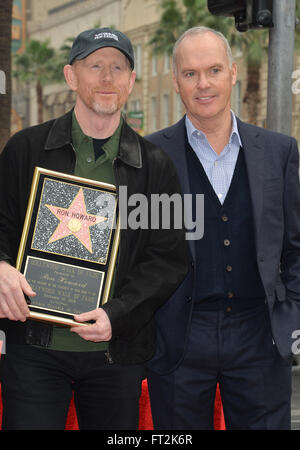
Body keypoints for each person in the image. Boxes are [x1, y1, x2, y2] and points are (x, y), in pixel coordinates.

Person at [0, 27, 188, 430]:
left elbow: (168, 261)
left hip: (114, 355)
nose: (107, 78)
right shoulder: (25, 150)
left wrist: (116, 315)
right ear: (71, 76)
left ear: (131, 81)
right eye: (95, 66)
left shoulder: (156, 166)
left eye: (118, 67)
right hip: (33, 350)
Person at [146, 26, 300, 430]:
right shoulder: (148, 157)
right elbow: (134, 253)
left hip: (260, 334)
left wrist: (290, 317)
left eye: (213, 70)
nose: (203, 84)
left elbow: (295, 248)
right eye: (190, 73)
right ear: (177, 81)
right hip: (179, 338)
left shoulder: (279, 152)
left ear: (232, 73)